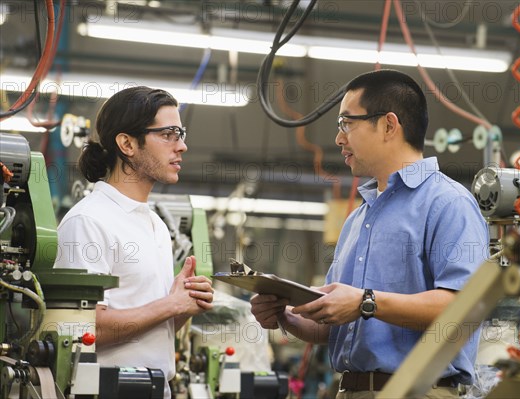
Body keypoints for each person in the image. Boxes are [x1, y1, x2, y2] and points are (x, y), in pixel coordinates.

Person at [250, 69, 489, 399]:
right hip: (351, 390)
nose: (338, 139)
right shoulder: (358, 219)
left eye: (347, 123)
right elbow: (334, 323)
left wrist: (365, 302)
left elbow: (464, 309)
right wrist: (285, 315)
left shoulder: (448, 204)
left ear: (389, 125)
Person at [54, 86, 214, 398]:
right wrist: (169, 304)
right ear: (127, 143)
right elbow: (84, 329)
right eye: (168, 134)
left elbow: (152, 331)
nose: (182, 146)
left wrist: (183, 305)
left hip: (157, 389)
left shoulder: (154, 224)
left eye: (181, 133)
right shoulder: (88, 221)